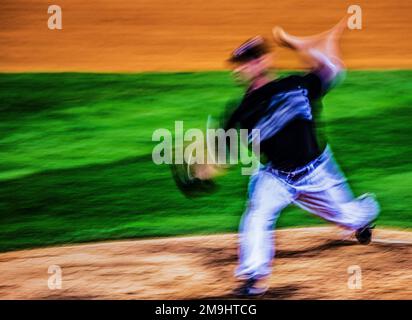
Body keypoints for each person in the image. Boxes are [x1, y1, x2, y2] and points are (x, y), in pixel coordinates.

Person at [198, 18, 380, 297]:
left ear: (266, 60)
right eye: (242, 63)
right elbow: (222, 154)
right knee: (257, 213)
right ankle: (253, 278)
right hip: (276, 177)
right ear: (238, 71)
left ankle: (363, 220)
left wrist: (302, 45)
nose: (247, 66)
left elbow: (333, 69)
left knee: (349, 216)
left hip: (318, 172)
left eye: (252, 59)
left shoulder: (297, 85)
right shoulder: (240, 111)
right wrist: (205, 170)